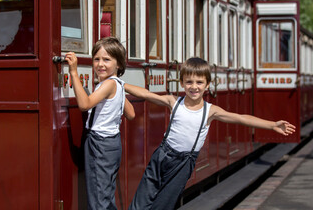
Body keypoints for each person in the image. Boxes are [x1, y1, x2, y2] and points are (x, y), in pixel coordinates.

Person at [125, 57, 295, 210]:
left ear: (207, 85)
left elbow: (240, 118)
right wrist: (120, 84)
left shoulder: (210, 111)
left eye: (199, 82)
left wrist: (272, 125)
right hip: (162, 155)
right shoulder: (174, 102)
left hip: (183, 163)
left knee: (163, 204)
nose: (194, 87)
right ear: (182, 83)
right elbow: (146, 94)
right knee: (141, 200)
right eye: (189, 82)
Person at [65, 36, 135, 210]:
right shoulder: (119, 85)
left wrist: (73, 72)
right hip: (112, 143)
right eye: (96, 59)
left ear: (118, 64)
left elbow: (84, 104)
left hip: (99, 144)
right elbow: (131, 114)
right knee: (105, 195)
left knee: (98, 201)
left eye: (106, 59)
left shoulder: (109, 84)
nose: (100, 64)